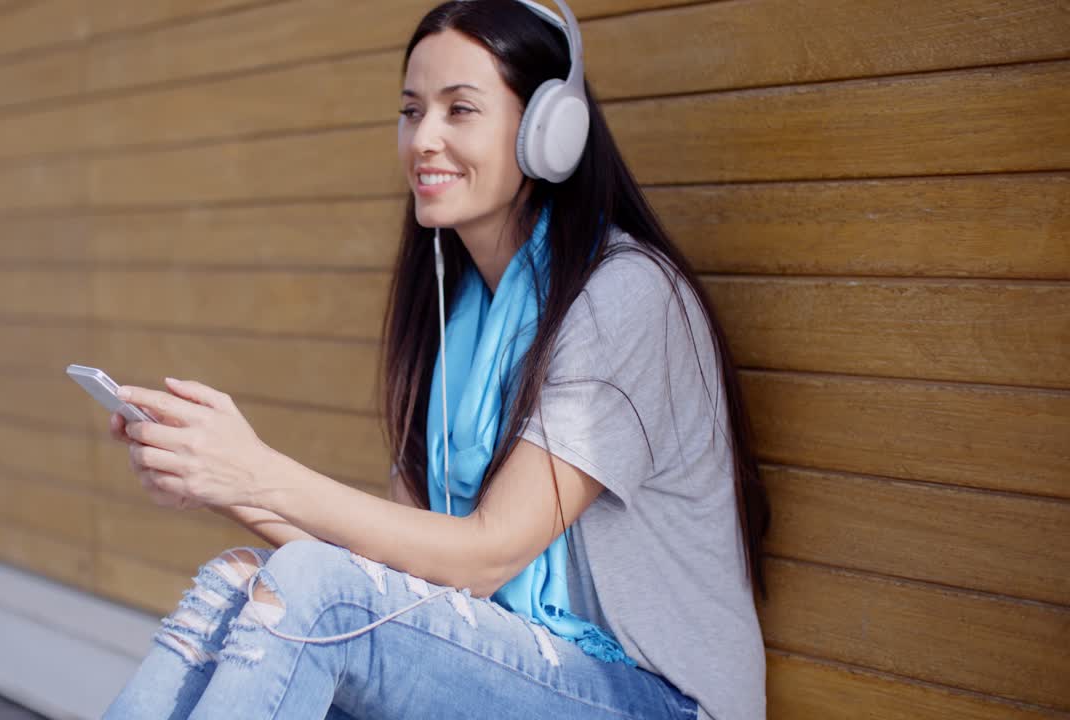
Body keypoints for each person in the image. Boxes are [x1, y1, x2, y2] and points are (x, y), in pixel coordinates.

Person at [100, 1, 769, 718]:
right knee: (240, 582)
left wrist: (257, 472)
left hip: (651, 698)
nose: (424, 138)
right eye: (412, 110)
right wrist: (218, 481)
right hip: (507, 665)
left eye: (460, 110)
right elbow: (394, 576)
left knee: (313, 591)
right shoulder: (458, 318)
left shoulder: (624, 298)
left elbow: (485, 555)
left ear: (551, 130)